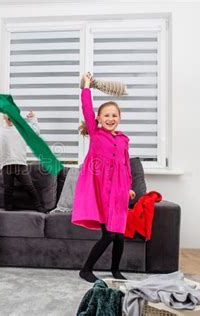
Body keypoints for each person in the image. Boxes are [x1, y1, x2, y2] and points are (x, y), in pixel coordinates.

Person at [72, 73, 136, 282]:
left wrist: (128, 187)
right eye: (106, 115)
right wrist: (87, 87)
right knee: (108, 234)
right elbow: (86, 108)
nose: (110, 119)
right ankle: (86, 269)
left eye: (114, 116)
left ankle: (115, 270)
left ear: (120, 118)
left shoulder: (124, 140)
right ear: (99, 119)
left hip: (119, 191)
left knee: (119, 235)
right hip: (99, 191)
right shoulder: (96, 133)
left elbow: (126, 165)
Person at [0, 112, 45, 212]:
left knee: (29, 186)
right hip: (6, 165)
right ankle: (8, 209)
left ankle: (39, 207)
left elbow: (36, 132)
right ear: (4, 116)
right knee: (8, 189)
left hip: (20, 164)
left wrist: (32, 119)